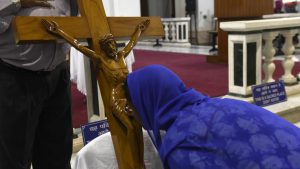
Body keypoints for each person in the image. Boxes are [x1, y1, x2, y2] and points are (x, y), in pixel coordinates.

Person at [125, 64, 300, 169]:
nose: (132, 113)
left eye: (133, 106)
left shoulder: (179, 144)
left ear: (146, 102)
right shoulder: (223, 103)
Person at [42, 18, 150, 169]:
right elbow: (78, 45)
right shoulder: (101, 60)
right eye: (109, 45)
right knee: (130, 128)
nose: (112, 47)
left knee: (138, 126)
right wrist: (58, 31)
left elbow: (131, 44)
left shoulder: (120, 57)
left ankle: (140, 161)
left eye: (113, 44)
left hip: (129, 97)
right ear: (105, 48)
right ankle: (136, 162)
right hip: (117, 99)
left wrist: (140, 29)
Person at [0, 0, 73, 169]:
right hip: (12, 75)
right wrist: (17, 2)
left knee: (58, 159)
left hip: (57, 73)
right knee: (11, 161)